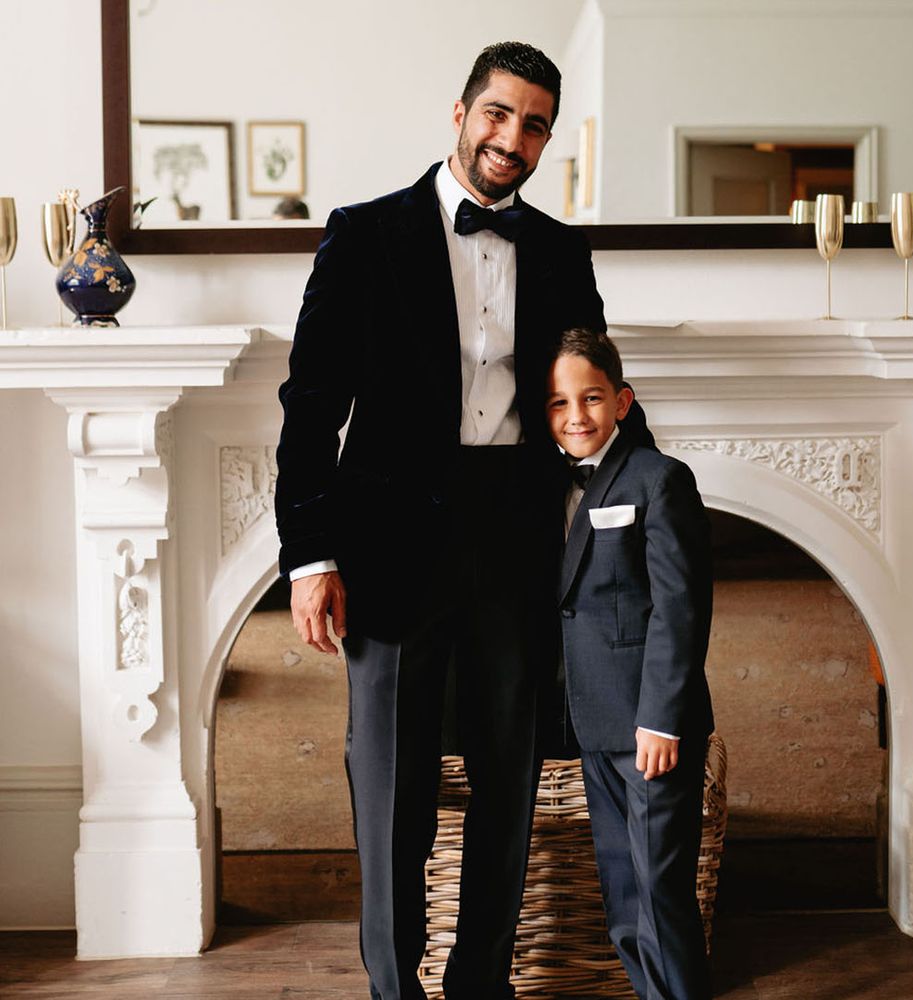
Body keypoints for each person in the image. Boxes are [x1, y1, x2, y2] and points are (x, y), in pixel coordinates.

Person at [275, 42, 648, 1000]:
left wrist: (628, 511)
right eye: (498, 114)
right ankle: (394, 989)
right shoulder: (364, 235)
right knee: (392, 789)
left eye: (533, 126)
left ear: (546, 140)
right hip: (390, 543)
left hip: (521, 541)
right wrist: (310, 555)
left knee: (509, 778)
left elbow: (585, 399)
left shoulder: (562, 252)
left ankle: (482, 984)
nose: (510, 139)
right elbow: (312, 407)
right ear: (460, 112)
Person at [546, 327, 715, 1000]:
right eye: (559, 403)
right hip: (594, 721)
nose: (576, 416)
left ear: (622, 401)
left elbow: (680, 611)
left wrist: (662, 722)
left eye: (590, 398)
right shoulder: (546, 488)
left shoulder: (658, 479)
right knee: (621, 889)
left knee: (660, 888)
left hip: (651, 728)